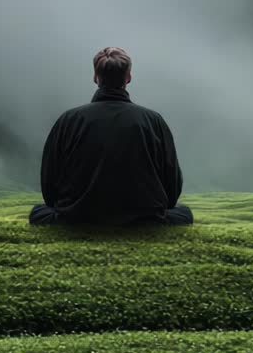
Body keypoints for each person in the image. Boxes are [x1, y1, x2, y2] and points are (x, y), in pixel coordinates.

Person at [29, 47, 192, 226]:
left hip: (77, 215)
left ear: (95, 77)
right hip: (145, 217)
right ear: (128, 77)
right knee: (183, 213)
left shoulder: (69, 119)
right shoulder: (153, 120)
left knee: (38, 212)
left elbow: (49, 183)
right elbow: (172, 185)